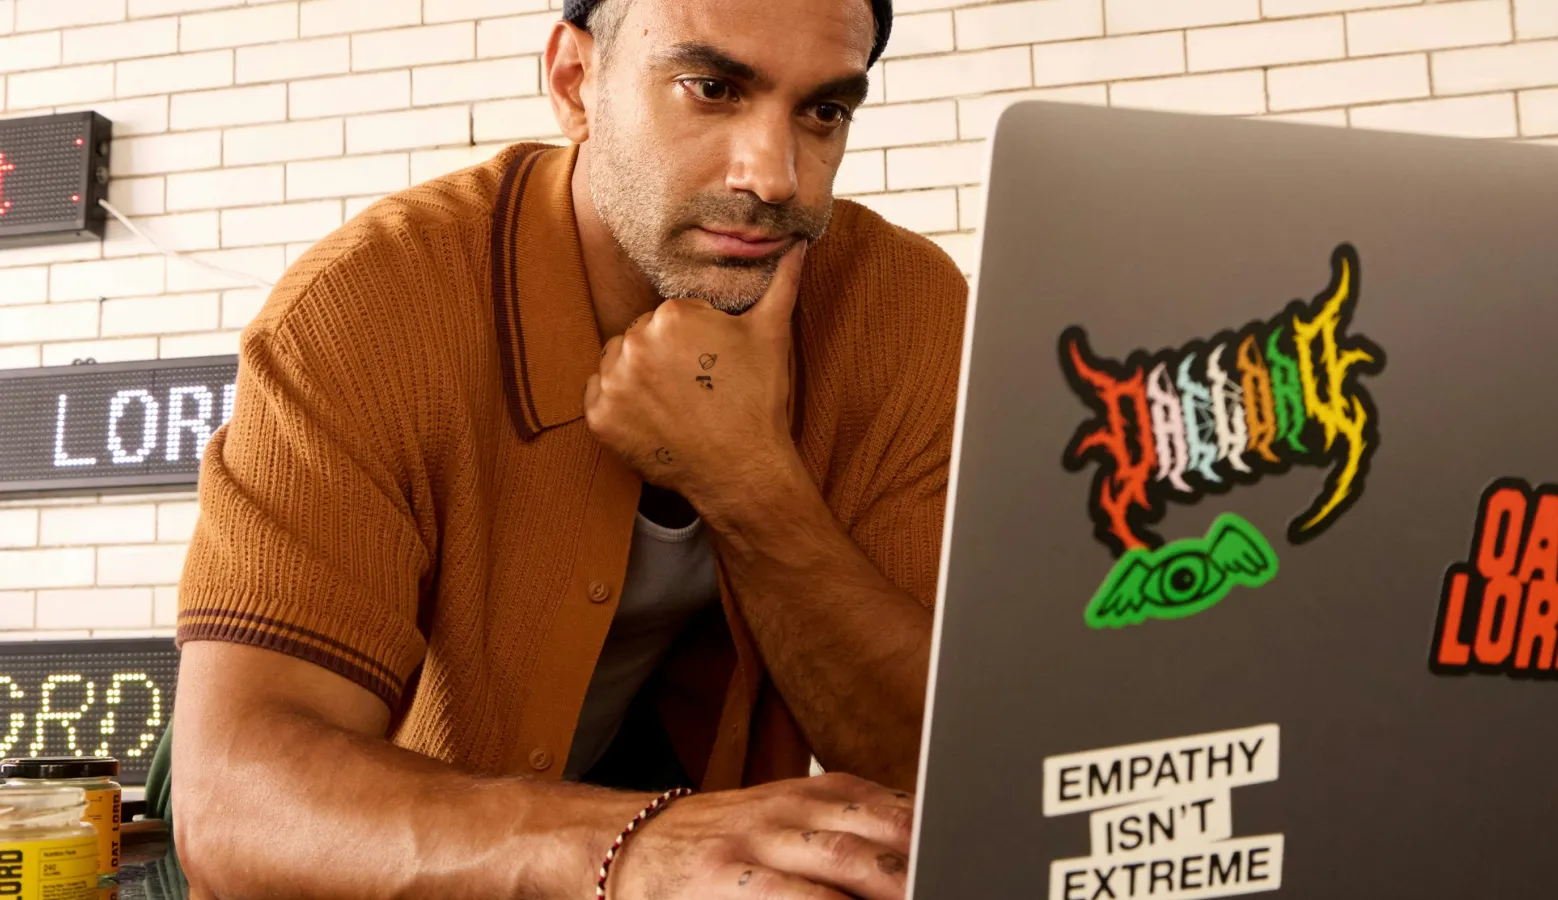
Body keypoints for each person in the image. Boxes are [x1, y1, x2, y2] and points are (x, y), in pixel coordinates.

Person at [167, 0, 968, 896]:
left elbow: (955, 773)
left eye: (822, 110)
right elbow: (233, 801)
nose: (775, 177)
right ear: (575, 81)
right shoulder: (366, 308)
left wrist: (746, 480)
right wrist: (639, 849)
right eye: (711, 89)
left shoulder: (905, 309)